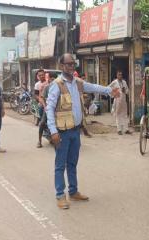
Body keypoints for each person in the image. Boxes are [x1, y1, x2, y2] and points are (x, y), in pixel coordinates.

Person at [46, 53, 120, 209]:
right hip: (62, 132)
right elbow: (50, 108)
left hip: (75, 131)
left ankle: (73, 191)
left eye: (73, 64)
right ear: (61, 66)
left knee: (72, 163)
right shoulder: (57, 84)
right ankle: (60, 195)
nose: (71, 66)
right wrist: (53, 131)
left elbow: (93, 87)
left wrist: (109, 90)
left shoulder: (77, 83)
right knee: (60, 165)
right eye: (68, 64)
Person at [37, 72, 57, 148]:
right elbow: (41, 98)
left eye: (54, 80)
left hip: (58, 110)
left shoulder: (60, 87)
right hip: (48, 109)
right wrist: (45, 106)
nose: (52, 81)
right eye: (51, 79)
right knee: (42, 123)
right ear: (49, 79)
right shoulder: (47, 87)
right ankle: (39, 141)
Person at [109, 70, 131, 135]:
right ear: (117, 75)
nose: (120, 76)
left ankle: (126, 129)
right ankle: (119, 130)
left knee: (125, 115)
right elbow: (108, 88)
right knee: (118, 115)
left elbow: (128, 91)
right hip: (117, 100)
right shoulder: (114, 82)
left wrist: (125, 91)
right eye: (119, 74)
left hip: (124, 101)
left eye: (121, 75)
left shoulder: (124, 82)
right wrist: (114, 94)